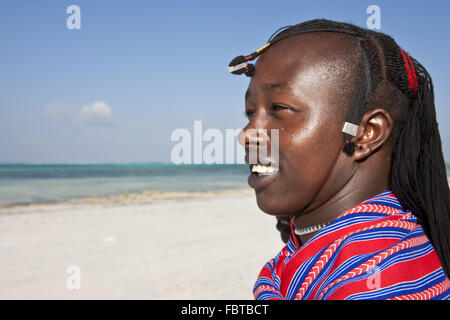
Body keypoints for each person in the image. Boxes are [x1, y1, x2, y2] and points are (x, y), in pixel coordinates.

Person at [229, 19, 450, 300]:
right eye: (250, 113)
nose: (247, 135)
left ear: (366, 133)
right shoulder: (321, 247)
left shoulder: (376, 283)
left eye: (279, 109)